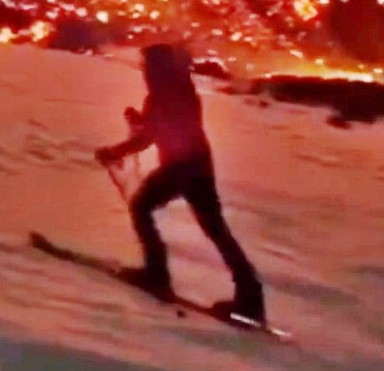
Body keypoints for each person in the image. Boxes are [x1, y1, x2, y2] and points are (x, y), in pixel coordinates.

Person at [95, 43, 266, 324]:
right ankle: (251, 297)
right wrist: (141, 121)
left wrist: (115, 151)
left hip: (180, 167)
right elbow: (161, 127)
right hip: (199, 167)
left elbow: (149, 137)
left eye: (147, 66)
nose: (144, 72)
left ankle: (156, 273)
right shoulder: (182, 90)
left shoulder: (163, 94)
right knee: (216, 230)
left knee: (141, 207)